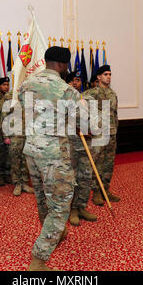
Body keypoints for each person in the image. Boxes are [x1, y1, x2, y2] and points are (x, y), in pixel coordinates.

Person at [19, 46, 79, 271]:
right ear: (63, 65)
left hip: (31, 151)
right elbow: (82, 120)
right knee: (60, 206)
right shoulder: (67, 90)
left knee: (43, 198)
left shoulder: (26, 84)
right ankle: (39, 259)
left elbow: (25, 108)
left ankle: (55, 231)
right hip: (54, 155)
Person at [64, 71, 98, 226]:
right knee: (71, 180)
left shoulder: (87, 99)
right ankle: (71, 210)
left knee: (85, 178)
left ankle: (81, 207)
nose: (75, 83)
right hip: (70, 146)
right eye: (71, 81)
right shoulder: (62, 100)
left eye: (77, 80)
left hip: (86, 145)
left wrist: (92, 128)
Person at [84, 65, 120, 206]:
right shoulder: (90, 94)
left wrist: (115, 129)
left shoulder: (113, 94)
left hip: (111, 133)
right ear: (98, 77)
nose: (108, 77)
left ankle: (105, 189)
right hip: (98, 135)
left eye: (110, 74)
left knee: (108, 164)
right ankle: (97, 192)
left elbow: (115, 114)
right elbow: (83, 113)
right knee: (97, 164)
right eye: (105, 74)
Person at [1, 90, 34, 196]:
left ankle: (25, 183)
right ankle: (17, 184)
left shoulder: (30, 94)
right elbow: (4, 116)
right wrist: (5, 135)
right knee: (15, 159)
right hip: (14, 133)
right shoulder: (10, 95)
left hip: (28, 133)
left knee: (26, 160)